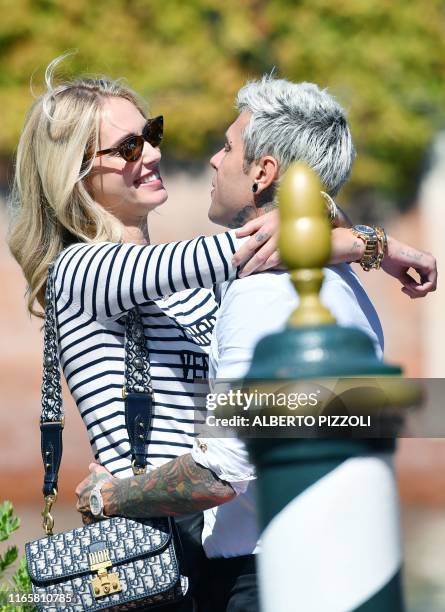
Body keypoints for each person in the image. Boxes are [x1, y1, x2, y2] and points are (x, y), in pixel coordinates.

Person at [7, 58, 419, 611]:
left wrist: (324, 223)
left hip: (213, 540)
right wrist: (377, 245)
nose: (152, 154)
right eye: (128, 147)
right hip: (149, 557)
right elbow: (247, 246)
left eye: (152, 133)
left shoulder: (200, 286)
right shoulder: (78, 273)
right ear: (76, 173)